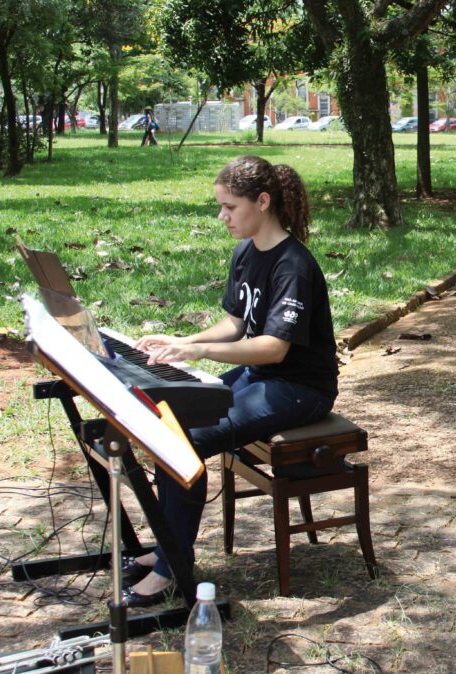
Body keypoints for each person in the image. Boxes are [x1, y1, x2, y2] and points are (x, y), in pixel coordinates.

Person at [121, 155, 339, 607]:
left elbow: (273, 348)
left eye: (229, 207)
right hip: (261, 376)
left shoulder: (293, 265)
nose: (222, 216)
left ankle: (171, 568)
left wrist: (198, 351)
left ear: (262, 202)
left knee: (190, 439)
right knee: (170, 423)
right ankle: (168, 547)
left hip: (300, 390)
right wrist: (185, 339)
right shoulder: (246, 251)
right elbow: (236, 322)